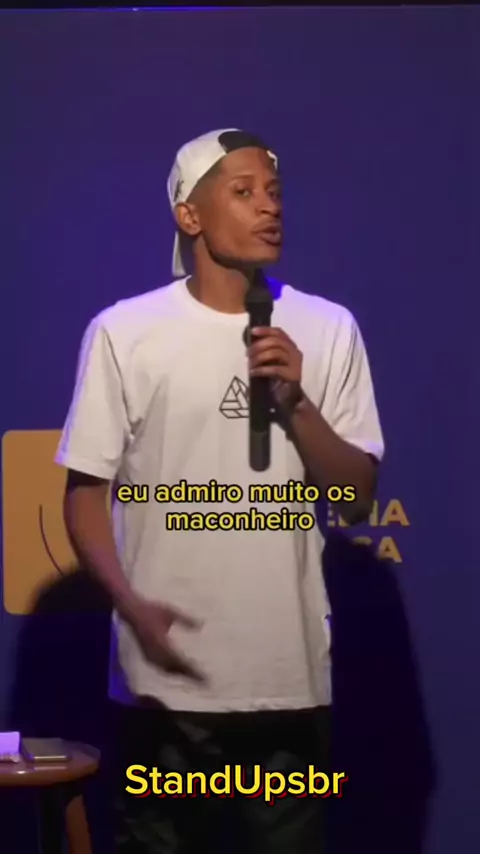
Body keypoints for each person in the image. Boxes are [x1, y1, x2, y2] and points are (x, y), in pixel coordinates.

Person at [55, 128, 384, 853]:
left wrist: (295, 401)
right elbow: (84, 496)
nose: (269, 207)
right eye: (243, 191)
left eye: (274, 192)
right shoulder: (125, 332)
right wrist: (131, 604)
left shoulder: (328, 328)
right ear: (190, 215)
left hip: (287, 685)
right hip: (164, 691)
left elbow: (358, 496)